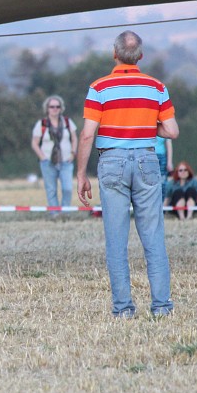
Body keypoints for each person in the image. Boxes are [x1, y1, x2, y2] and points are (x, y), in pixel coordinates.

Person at [76, 31, 178, 318]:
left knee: (116, 241)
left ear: (114, 54)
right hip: (147, 160)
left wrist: (81, 174)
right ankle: (161, 307)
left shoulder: (99, 88)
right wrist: (145, 127)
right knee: (153, 238)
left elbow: (87, 135)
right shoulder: (157, 87)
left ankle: (123, 309)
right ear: (141, 56)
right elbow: (172, 131)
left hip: (112, 162)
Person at [30, 94, 78, 212]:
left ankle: (65, 211)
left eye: (57, 106)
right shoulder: (41, 124)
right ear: (47, 108)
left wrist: (73, 153)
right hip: (48, 161)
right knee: (51, 189)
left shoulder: (68, 122)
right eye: (52, 107)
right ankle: (55, 213)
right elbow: (34, 143)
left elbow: (74, 138)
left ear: (61, 108)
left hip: (66, 160)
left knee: (67, 188)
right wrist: (42, 157)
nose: (55, 109)